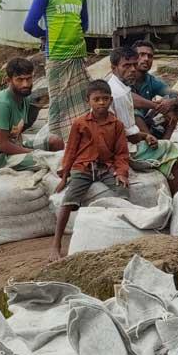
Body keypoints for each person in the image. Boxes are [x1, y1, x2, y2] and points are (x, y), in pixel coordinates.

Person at [53, 79, 133, 255]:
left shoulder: (117, 125)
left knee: (124, 193)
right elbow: (71, 150)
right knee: (68, 200)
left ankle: (124, 236)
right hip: (83, 167)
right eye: (96, 99)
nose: (101, 103)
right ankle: (56, 245)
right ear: (88, 100)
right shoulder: (80, 123)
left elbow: (121, 153)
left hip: (106, 167)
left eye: (105, 99)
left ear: (111, 100)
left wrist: (121, 173)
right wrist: (65, 176)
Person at [23, 0, 89, 143]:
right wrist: (45, 36)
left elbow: (83, 24)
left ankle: (80, 142)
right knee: (58, 106)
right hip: (57, 58)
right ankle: (57, 146)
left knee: (83, 104)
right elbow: (29, 25)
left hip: (78, 56)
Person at [106, 46, 178, 194]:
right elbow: (130, 135)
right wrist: (146, 137)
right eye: (126, 66)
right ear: (114, 68)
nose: (132, 70)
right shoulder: (119, 94)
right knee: (170, 150)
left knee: (170, 114)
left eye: (133, 65)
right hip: (124, 149)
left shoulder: (118, 86)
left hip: (123, 139)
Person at [0, 57, 43, 172]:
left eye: (28, 79)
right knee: (45, 160)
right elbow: (2, 145)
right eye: (19, 80)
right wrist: (35, 153)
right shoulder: (2, 104)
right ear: (8, 81)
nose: (25, 84)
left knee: (55, 142)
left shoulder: (24, 98)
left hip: (14, 144)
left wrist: (26, 149)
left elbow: (17, 133)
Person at [129, 42, 178, 136]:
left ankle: (165, 144)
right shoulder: (124, 76)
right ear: (132, 57)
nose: (146, 59)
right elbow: (129, 99)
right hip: (124, 124)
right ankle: (151, 143)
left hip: (144, 121)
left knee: (175, 109)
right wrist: (157, 105)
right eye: (142, 55)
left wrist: (171, 102)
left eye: (150, 56)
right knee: (132, 111)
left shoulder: (151, 81)